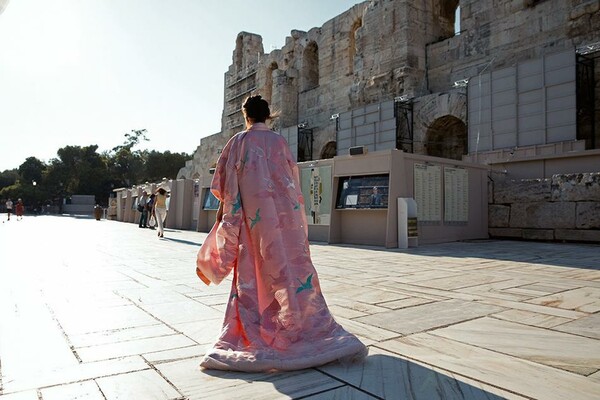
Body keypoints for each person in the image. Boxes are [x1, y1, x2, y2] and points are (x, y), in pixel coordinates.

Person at [195, 95, 367, 372]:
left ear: (245, 115)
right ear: (268, 116)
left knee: (254, 276)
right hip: (284, 224)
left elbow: (226, 190)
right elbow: (291, 185)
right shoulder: (279, 142)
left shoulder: (237, 143)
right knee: (289, 273)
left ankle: (258, 333)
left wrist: (226, 220)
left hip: (253, 226)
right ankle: (297, 327)